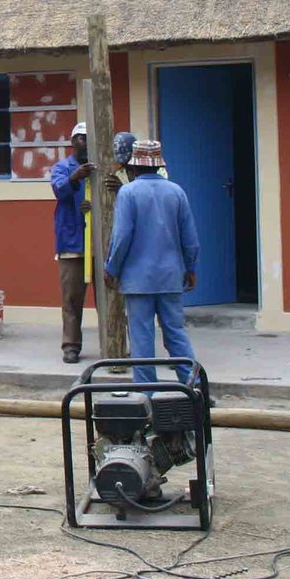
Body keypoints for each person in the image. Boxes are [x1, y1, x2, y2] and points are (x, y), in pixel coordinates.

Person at [103, 139, 201, 386]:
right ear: (159, 166)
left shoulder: (128, 193)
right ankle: (195, 386)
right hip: (170, 276)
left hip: (138, 280)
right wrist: (190, 268)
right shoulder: (177, 192)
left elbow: (121, 237)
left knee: (142, 338)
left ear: (133, 166)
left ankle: (146, 391)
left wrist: (111, 268)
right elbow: (190, 239)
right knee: (176, 334)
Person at [50, 122, 93, 364]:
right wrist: (74, 178)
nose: (87, 143)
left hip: (99, 245)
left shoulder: (101, 166)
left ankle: (114, 346)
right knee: (71, 299)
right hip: (72, 243)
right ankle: (71, 345)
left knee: (110, 298)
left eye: (90, 138)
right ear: (73, 142)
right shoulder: (62, 168)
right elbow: (59, 190)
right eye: (82, 138)